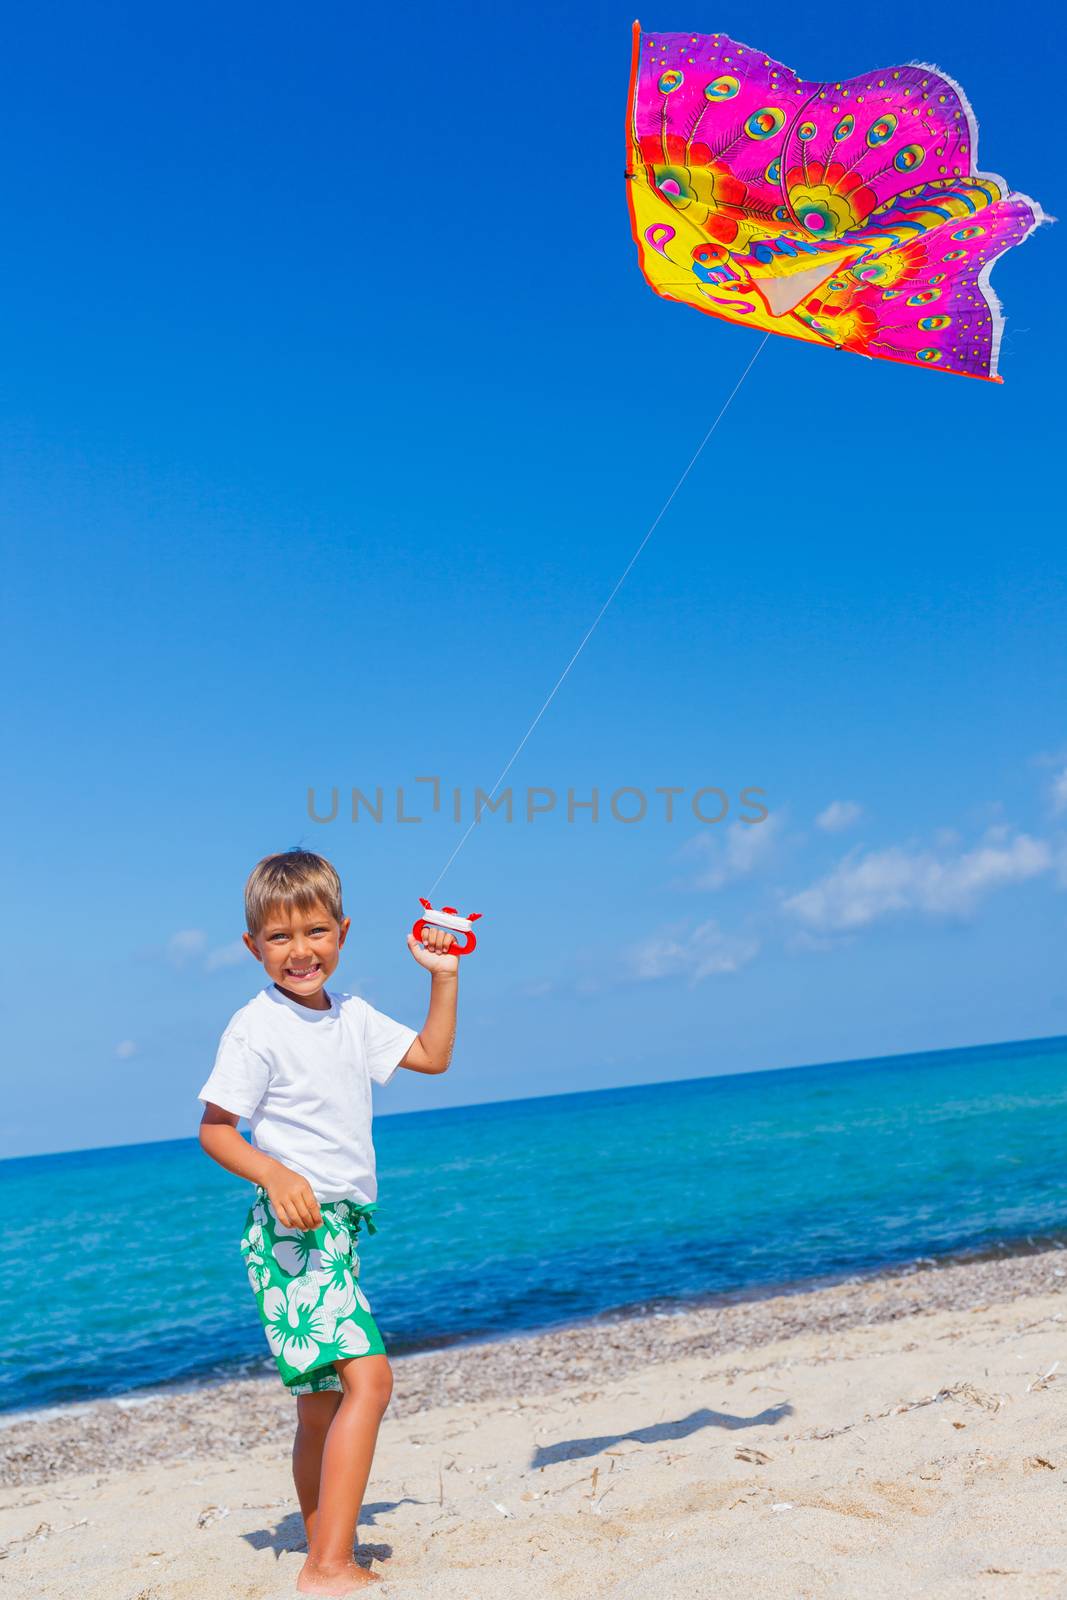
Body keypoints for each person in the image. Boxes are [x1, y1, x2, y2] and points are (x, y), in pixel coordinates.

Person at [198, 848, 459, 1595]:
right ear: (253, 947)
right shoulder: (255, 1027)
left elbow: (433, 1056)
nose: (300, 951)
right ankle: (327, 1567)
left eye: (314, 931)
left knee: (321, 1407)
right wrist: (276, 1173)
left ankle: (324, 1541)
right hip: (291, 1234)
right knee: (368, 1383)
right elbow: (215, 1129)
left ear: (342, 933)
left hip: (336, 1230)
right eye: (279, 938)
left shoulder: (353, 1017)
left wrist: (442, 975)